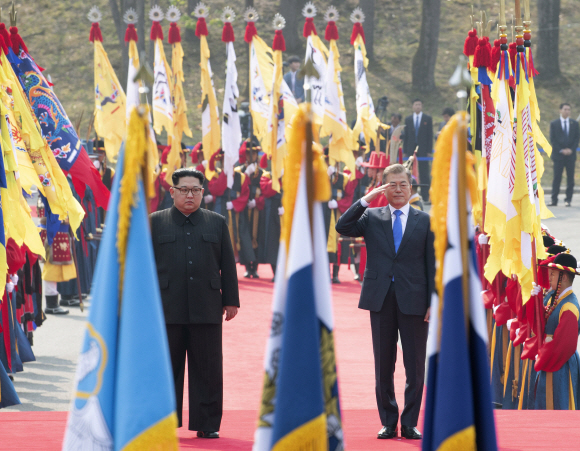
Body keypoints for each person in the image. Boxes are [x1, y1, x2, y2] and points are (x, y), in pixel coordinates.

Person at [335, 164, 435, 440]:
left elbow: (432, 265)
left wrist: (432, 301)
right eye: (392, 184)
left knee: (415, 365)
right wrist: (367, 198)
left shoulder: (424, 221)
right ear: (384, 188)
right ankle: (389, 421)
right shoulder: (372, 217)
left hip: (414, 300)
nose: (398, 189)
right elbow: (342, 226)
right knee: (384, 364)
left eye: (403, 184)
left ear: (411, 188)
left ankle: (411, 421)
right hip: (380, 298)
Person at [150, 168, 240, 438]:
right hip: (167, 307)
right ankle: (164, 422)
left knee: (208, 368)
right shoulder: (155, 222)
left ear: (203, 192)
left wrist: (231, 301)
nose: (190, 195)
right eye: (184, 190)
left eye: (196, 190)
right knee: (167, 368)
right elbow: (144, 267)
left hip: (207, 306)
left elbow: (228, 264)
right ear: (172, 191)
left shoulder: (216, 222)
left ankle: (208, 424)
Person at [532, 252, 580, 409]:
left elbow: (563, 345)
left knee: (558, 404)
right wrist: (536, 301)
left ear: (564, 277)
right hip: (552, 357)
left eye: (553, 274)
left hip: (559, 362)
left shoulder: (569, 306)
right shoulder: (558, 300)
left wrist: (543, 356)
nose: (550, 277)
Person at [549, 103, 579, 207]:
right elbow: (553, 139)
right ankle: (554, 200)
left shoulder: (574, 124)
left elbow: (576, 139)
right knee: (557, 177)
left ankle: (568, 200)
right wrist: (562, 150)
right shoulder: (554, 123)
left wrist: (570, 149)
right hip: (558, 155)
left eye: (569, 109)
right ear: (560, 110)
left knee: (570, 178)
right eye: (565, 109)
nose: (567, 111)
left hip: (570, 156)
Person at [403, 99, 433, 203]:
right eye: (416, 104)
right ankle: (409, 195)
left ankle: (425, 196)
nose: (417, 106)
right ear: (413, 106)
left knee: (424, 173)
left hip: (424, 149)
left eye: (419, 104)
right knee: (409, 172)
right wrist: (405, 150)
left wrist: (429, 150)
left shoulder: (427, 118)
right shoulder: (408, 119)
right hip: (411, 149)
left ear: (422, 106)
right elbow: (406, 136)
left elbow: (430, 135)